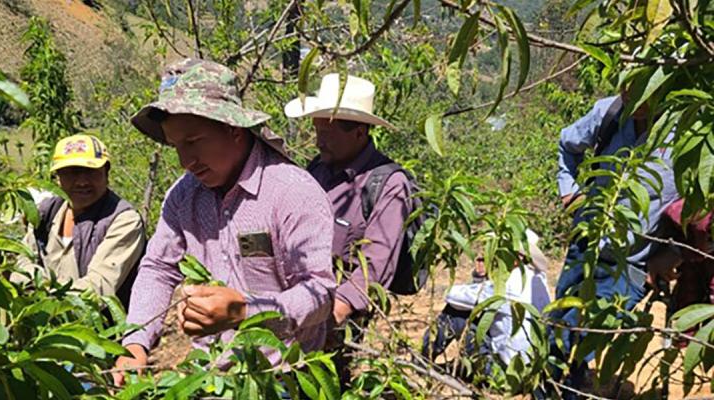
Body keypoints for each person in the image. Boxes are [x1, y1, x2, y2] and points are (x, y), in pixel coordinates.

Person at [113, 59, 336, 385]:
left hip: (284, 377)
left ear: (232, 128)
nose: (185, 161)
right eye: (176, 146)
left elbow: (319, 296)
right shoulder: (184, 195)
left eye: (193, 142)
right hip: (212, 375)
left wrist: (246, 312)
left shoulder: (292, 193)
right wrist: (136, 341)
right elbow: (158, 268)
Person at [552, 87, 678, 395]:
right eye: (625, 86)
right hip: (586, 244)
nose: (630, 96)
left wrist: (672, 255)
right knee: (559, 328)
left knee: (594, 337)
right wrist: (570, 191)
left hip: (633, 261)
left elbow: (704, 207)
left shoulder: (684, 133)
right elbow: (567, 144)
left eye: (641, 88)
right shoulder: (609, 112)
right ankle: (551, 388)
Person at [284, 73, 413, 326]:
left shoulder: (388, 184)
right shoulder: (318, 169)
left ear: (359, 132)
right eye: (317, 130)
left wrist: (337, 314)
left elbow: (376, 263)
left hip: (338, 317)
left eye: (328, 133)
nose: (319, 141)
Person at [13, 134, 146, 307]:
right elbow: (23, 257)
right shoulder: (47, 212)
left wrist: (40, 291)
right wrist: (35, 281)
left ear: (106, 173)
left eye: (91, 172)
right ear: (58, 177)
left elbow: (97, 289)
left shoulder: (123, 220)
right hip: (41, 319)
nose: (82, 181)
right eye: (72, 172)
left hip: (96, 328)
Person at [422, 230, 551, 371]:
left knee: (455, 313)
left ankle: (423, 359)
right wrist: (481, 278)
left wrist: (479, 279)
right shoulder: (538, 278)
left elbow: (453, 296)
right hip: (532, 367)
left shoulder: (506, 283)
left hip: (505, 370)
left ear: (516, 257)